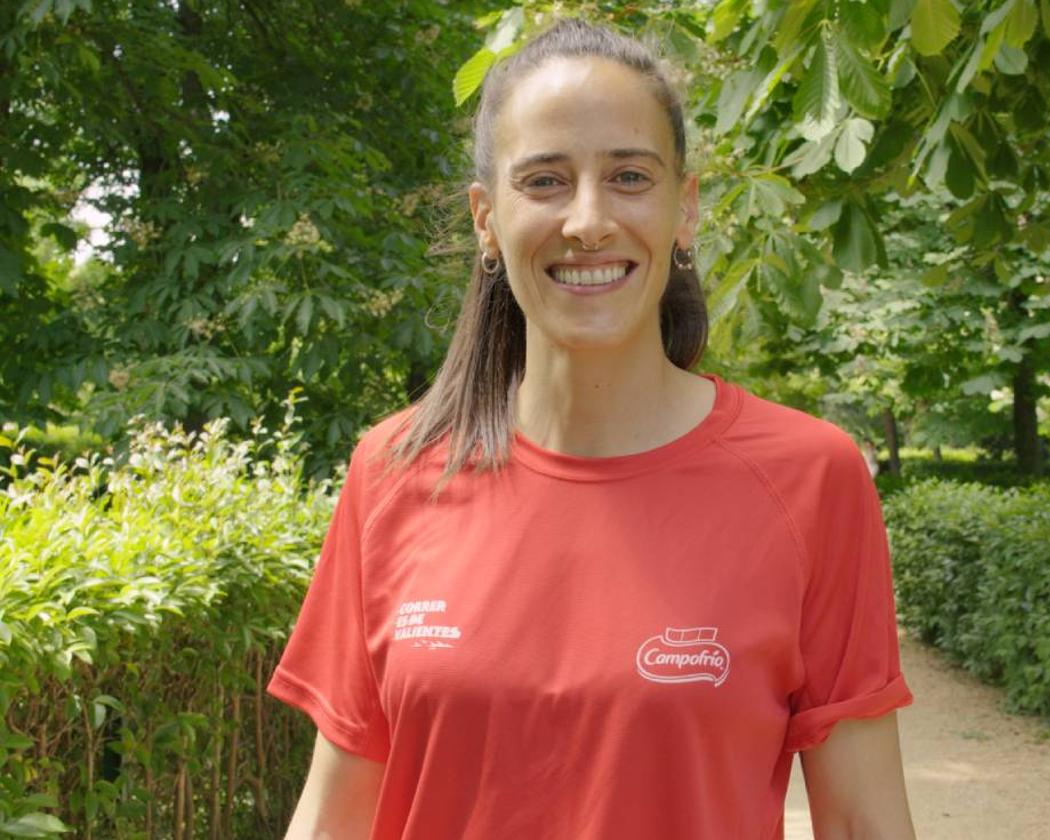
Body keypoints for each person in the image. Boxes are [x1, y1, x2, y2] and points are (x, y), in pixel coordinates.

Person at [268, 18, 916, 840]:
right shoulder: (392, 472)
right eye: (543, 181)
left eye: (629, 177)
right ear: (484, 219)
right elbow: (332, 821)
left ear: (684, 210)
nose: (587, 220)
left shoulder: (811, 478)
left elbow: (863, 821)